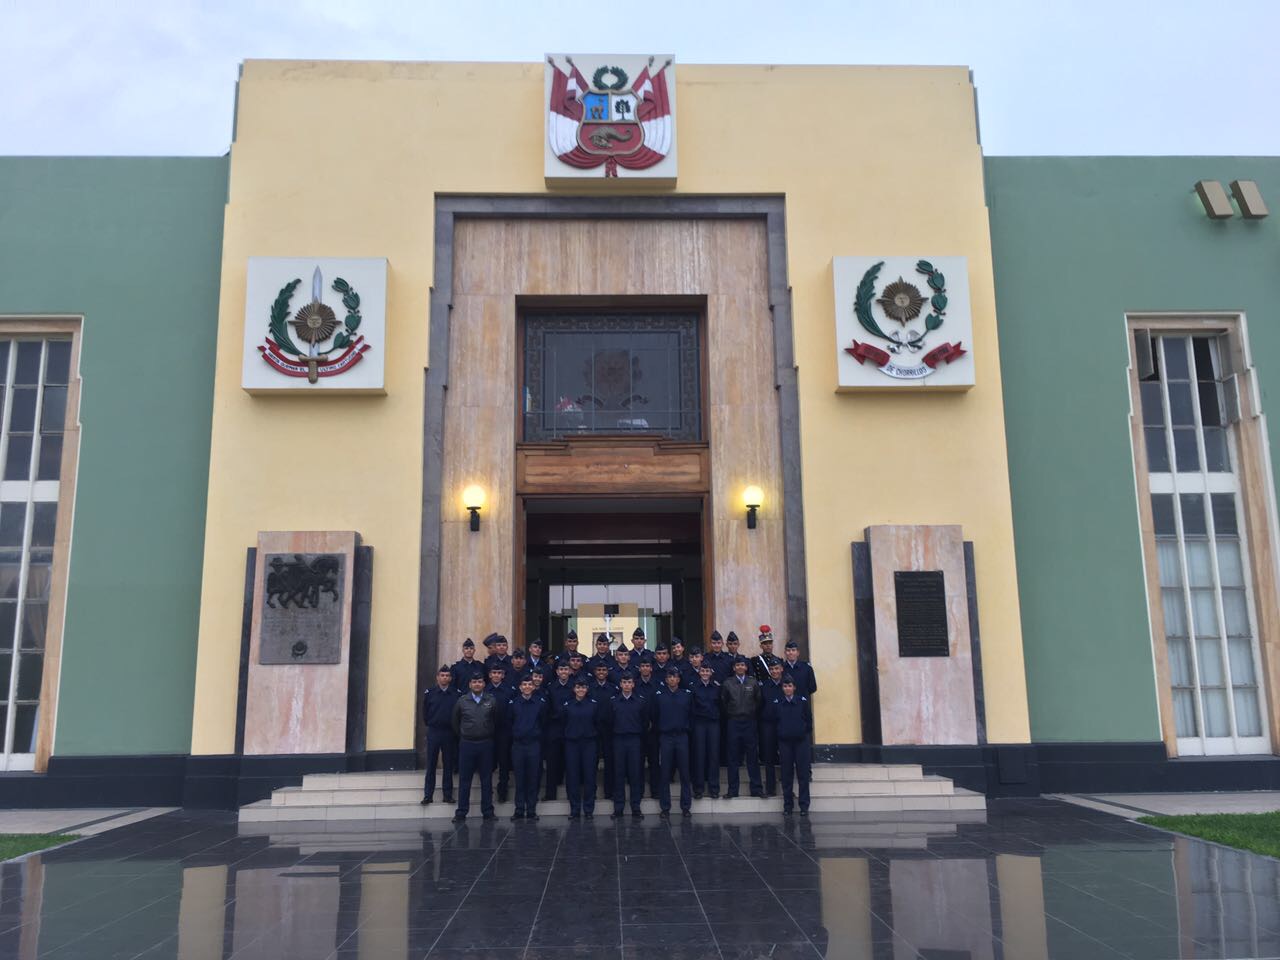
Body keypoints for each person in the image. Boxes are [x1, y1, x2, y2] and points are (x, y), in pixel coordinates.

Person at [451, 673, 499, 822]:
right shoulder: (462, 701)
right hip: (467, 745)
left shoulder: (491, 700)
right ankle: (461, 812)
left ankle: (488, 811)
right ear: (470, 684)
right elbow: (455, 722)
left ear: (484, 684)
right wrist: (465, 735)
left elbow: (496, 721)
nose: (477, 684)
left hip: (485, 744)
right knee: (465, 780)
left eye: (480, 681)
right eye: (474, 682)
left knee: (486, 779)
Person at [605, 672, 648, 819]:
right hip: (618, 740)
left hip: (634, 740)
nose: (627, 685)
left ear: (633, 684)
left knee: (635, 774)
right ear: (620, 684)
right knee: (619, 774)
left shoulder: (640, 701)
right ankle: (618, 808)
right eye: (624, 682)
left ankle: (636, 807)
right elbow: (609, 722)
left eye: (630, 682)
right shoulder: (613, 701)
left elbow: (644, 722)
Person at [653, 667, 694, 818]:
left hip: (682, 737)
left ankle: (685, 807)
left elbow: (691, 715)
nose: (672, 679)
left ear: (678, 679)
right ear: (666, 680)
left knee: (684, 773)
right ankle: (665, 807)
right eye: (669, 677)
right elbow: (655, 716)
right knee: (664, 773)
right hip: (666, 738)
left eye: (675, 677)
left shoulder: (686, 695)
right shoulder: (659, 696)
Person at [770, 676, 814, 815]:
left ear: (794, 687)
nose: (787, 689)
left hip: (801, 742)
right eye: (785, 686)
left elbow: (808, 720)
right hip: (785, 743)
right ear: (782, 688)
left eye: (790, 686)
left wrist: (802, 733)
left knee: (803, 775)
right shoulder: (778, 703)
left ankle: (804, 806)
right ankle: (788, 805)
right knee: (786, 775)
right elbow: (775, 722)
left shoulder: (802, 702)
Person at [721, 655, 763, 798]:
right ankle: (733, 790)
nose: (740, 667)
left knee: (752, 756)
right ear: (734, 668)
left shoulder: (753, 682)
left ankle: (756, 789)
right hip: (733, 722)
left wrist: (749, 713)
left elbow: (758, 701)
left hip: (749, 722)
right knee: (733, 757)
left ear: (746, 667)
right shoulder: (728, 683)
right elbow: (723, 703)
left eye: (742, 665)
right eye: (737, 665)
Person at [506, 675, 548, 821]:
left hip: (533, 744)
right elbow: (509, 722)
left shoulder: (540, 703)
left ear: (533, 686)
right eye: (524, 684)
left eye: (530, 684)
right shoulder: (513, 703)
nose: (527, 687)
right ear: (520, 687)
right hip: (518, 745)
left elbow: (543, 722)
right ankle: (519, 809)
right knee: (520, 778)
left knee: (533, 778)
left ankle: (531, 809)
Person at [559, 678, 601, 820]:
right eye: (578, 687)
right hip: (572, 744)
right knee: (573, 777)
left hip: (589, 744)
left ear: (587, 689)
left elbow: (597, 723)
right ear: (574, 689)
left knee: (590, 776)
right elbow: (563, 722)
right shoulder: (567, 705)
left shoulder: (594, 705)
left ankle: (588, 809)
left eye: (583, 687)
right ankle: (575, 809)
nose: (581, 690)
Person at [421, 665, 460, 805]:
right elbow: (425, 713)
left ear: (450, 678)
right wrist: (431, 724)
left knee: (448, 765)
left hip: (449, 732)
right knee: (431, 764)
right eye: (442, 675)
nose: (444, 678)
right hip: (434, 731)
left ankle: (447, 794)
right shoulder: (430, 693)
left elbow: (458, 714)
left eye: (447, 676)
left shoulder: (455, 694)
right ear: (437, 677)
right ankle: (428, 795)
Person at [543, 661, 576, 800]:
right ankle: (550, 794)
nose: (563, 671)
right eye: (561, 669)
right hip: (554, 728)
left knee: (570, 763)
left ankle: (571, 795)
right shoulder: (551, 688)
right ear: (557, 672)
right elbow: (547, 709)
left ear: (569, 671)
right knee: (552, 763)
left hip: (570, 728)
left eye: (565, 669)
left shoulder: (574, 687)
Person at [690, 662, 721, 799]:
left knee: (713, 756)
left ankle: (714, 788)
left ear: (711, 672)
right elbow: (691, 707)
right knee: (699, 756)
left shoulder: (716, 687)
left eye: (707, 671)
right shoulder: (694, 687)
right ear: (699, 672)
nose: (705, 673)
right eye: (703, 671)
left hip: (713, 723)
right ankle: (699, 788)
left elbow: (721, 704)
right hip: (699, 724)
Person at [633, 657, 662, 797]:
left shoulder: (657, 685)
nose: (645, 668)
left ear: (651, 668)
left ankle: (655, 791)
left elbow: (661, 707)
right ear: (639, 668)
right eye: (642, 666)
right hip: (638, 729)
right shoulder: (634, 685)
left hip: (654, 729)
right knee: (638, 762)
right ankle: (639, 791)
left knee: (654, 761)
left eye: (647, 666)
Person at [757, 658, 787, 797]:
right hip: (768, 725)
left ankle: (787, 789)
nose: (774, 671)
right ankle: (770, 788)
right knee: (769, 758)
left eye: (776, 668)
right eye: (772, 669)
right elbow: (759, 705)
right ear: (769, 671)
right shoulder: (764, 686)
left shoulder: (787, 685)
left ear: (781, 669)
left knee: (785, 757)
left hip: (783, 725)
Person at [485, 665, 514, 803]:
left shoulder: (509, 691)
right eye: (494, 672)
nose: (496, 675)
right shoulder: (484, 691)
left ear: (503, 675)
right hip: (488, 733)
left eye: (499, 672)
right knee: (488, 763)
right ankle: (487, 792)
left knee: (503, 763)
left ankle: (503, 790)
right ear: (490, 675)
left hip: (504, 732)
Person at [590, 663, 618, 795]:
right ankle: (591, 791)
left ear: (607, 672)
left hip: (609, 728)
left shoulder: (613, 689)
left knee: (609, 759)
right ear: (595, 672)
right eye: (599, 669)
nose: (601, 672)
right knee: (592, 761)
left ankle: (609, 791)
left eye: (604, 670)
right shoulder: (589, 688)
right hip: (593, 728)